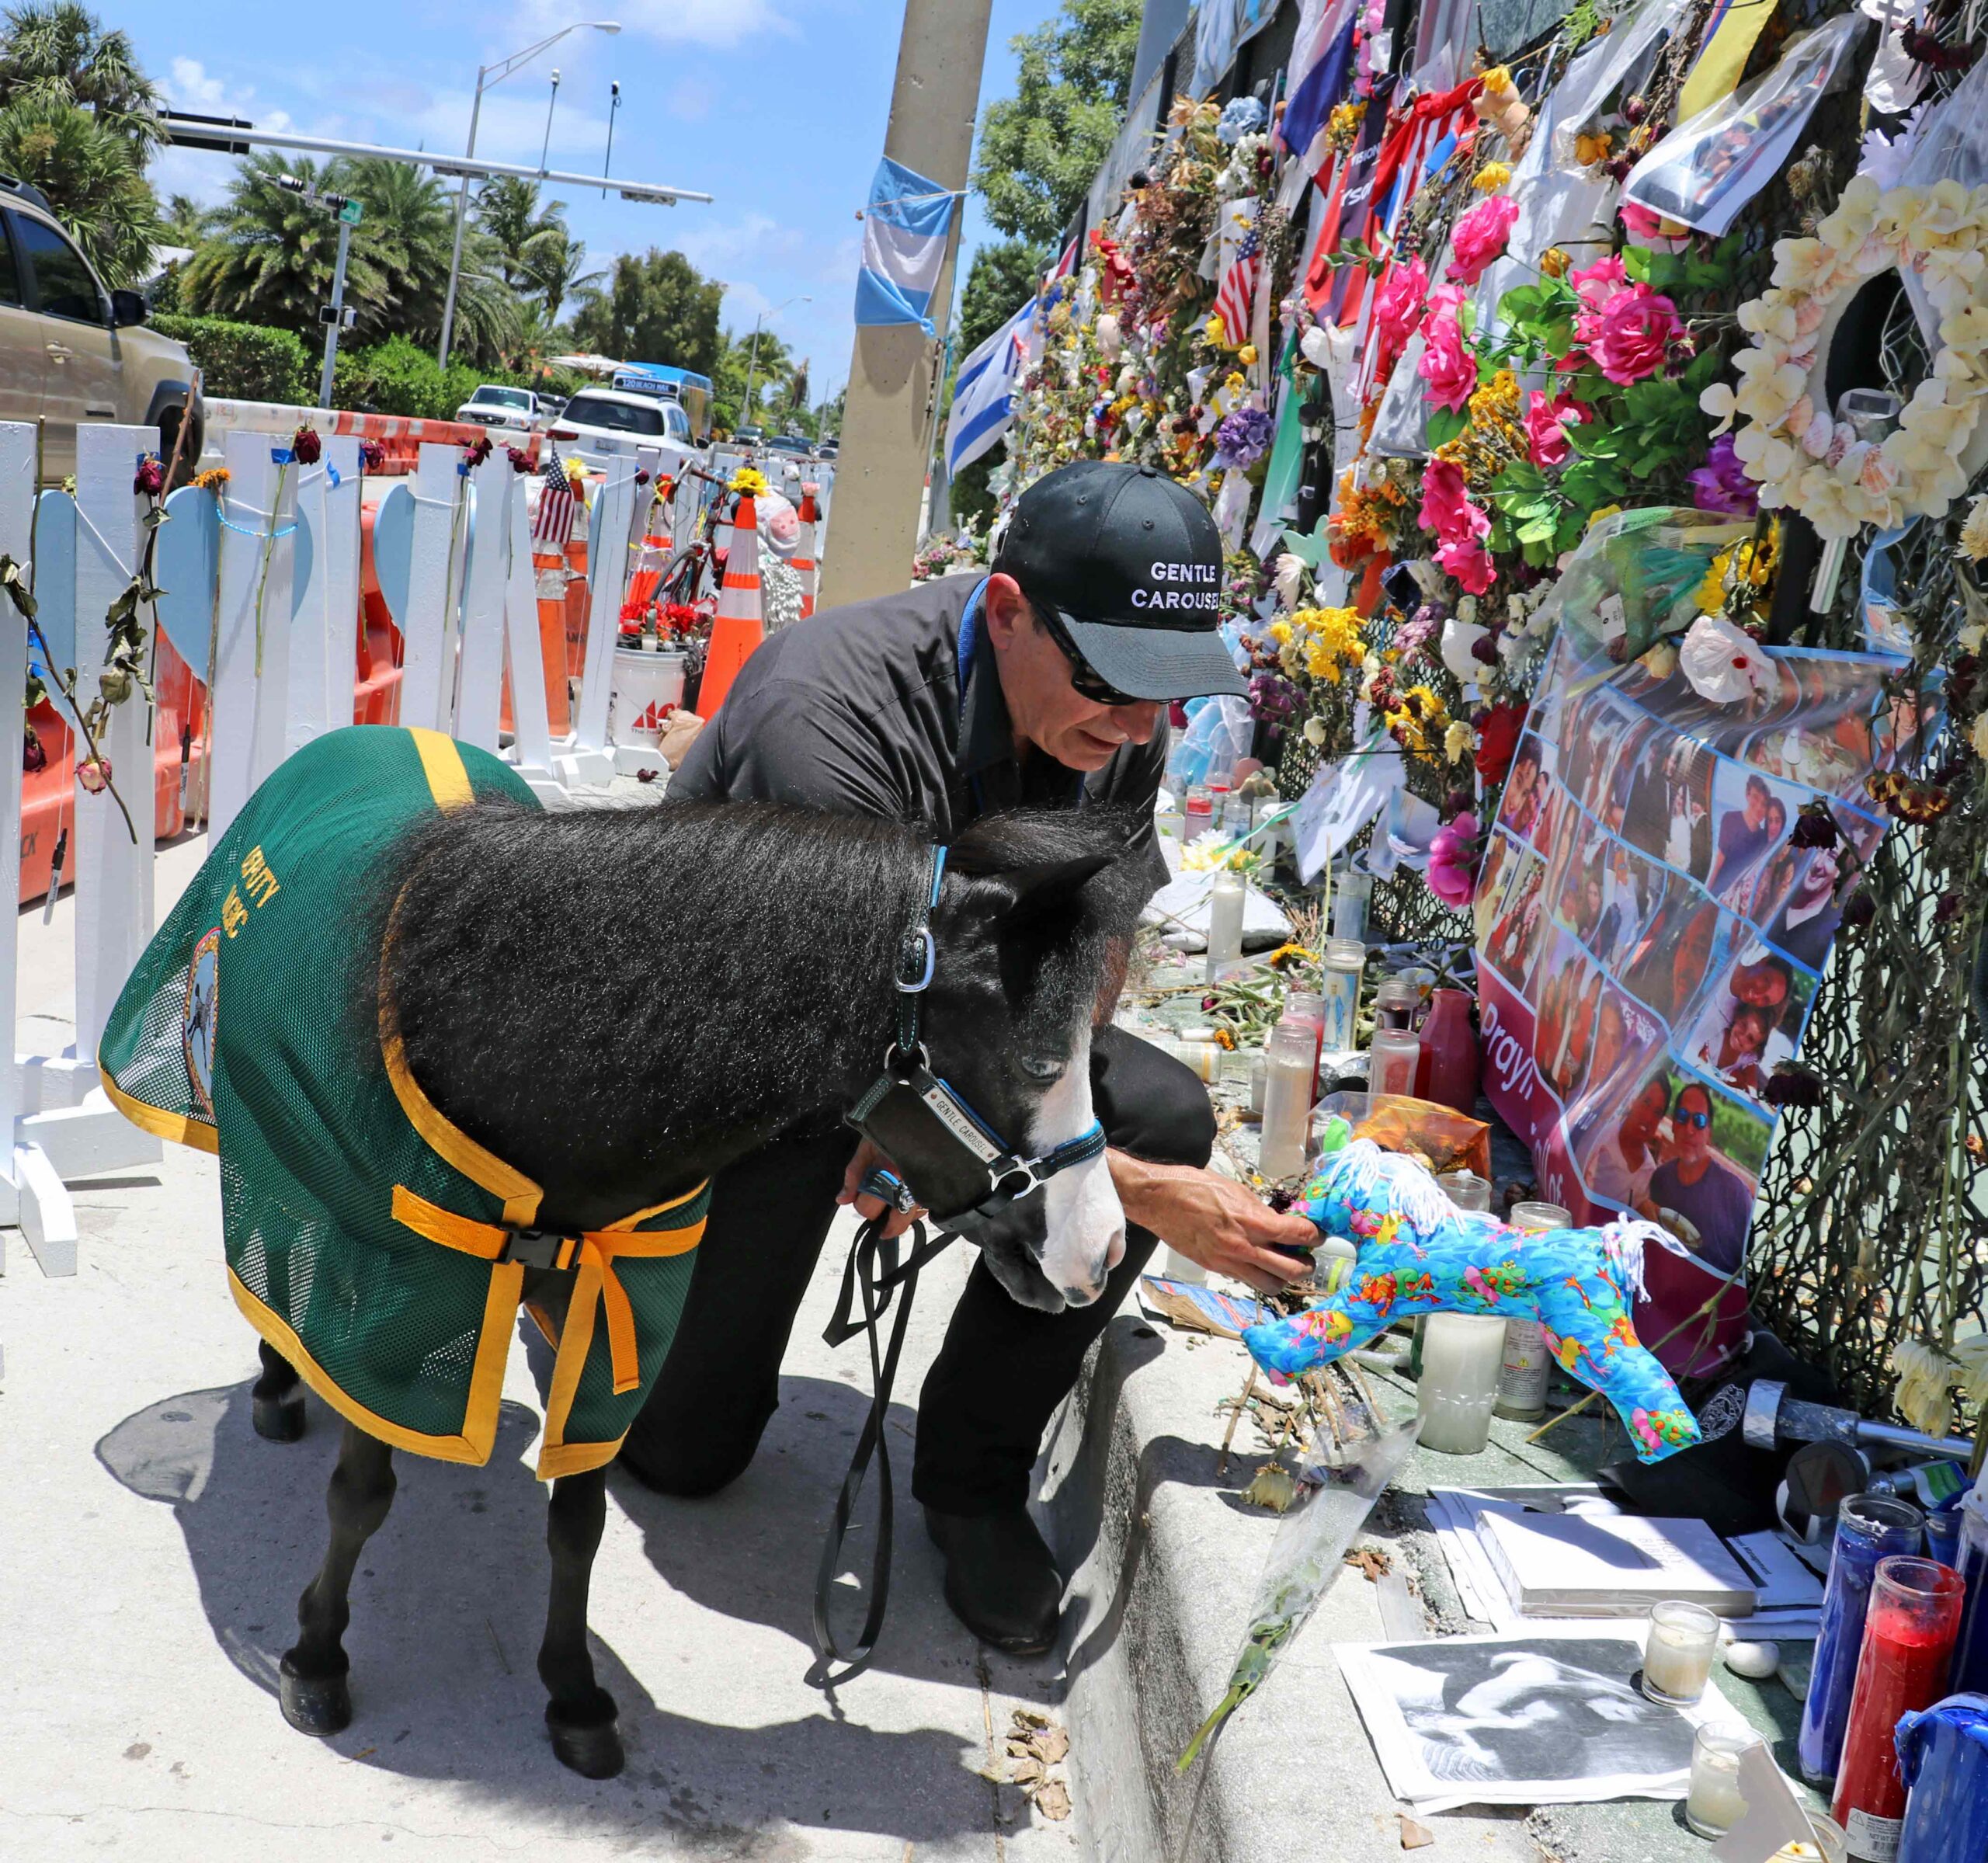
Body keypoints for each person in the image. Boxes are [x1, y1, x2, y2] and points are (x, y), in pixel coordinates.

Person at [618, 461, 1319, 1656]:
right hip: (754, 1050)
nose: (1142, 725)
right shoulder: (825, 712)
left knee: (1152, 1107)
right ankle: (594, 1290)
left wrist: (1049, 1136)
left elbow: (1085, 948)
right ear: (1004, 611)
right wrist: (1118, 1195)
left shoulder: (1119, 720)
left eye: (1171, 691)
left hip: (944, 1023)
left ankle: (973, 1479)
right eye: (1114, 683)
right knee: (685, 1456)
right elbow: (839, 1029)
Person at [1641, 1083, 1753, 1277]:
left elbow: (1746, 1260)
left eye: (1699, 1121)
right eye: (1683, 1117)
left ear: (1709, 1133)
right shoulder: (1660, 1179)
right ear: (1674, 1125)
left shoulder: (1735, 1193)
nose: (1689, 1129)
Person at [1582, 1076, 1672, 1212]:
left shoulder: (1648, 1171)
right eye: (1646, 1102)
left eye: (1657, 1112)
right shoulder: (1600, 1137)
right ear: (1634, 1100)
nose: (1648, 1117)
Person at [1770, 845, 1843, 970]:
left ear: (1841, 871)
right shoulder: (1778, 898)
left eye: (1831, 858)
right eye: (1819, 851)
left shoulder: (1826, 937)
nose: (1818, 864)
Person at [1708, 774, 1775, 895]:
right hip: (1719, 889)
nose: (1760, 807)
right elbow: (1719, 860)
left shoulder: (1763, 838)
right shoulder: (1730, 819)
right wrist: (1707, 892)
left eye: (1764, 804)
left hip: (1739, 894)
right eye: (1755, 797)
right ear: (1747, 795)